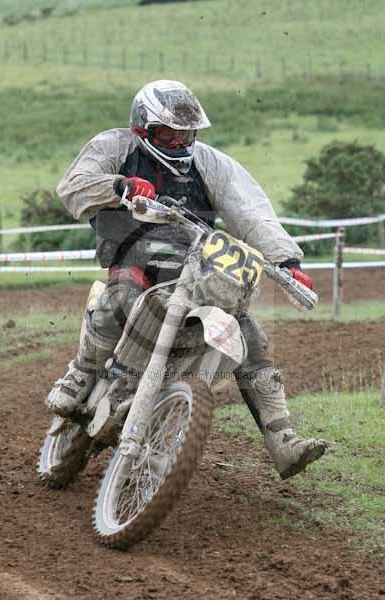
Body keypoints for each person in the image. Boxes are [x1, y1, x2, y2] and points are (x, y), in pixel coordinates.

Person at [47, 79, 327, 480]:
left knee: (248, 333)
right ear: (143, 128)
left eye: (187, 134)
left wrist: (287, 260)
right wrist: (118, 186)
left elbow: (251, 211)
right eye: (168, 134)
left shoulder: (210, 163)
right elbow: (73, 185)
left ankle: (283, 440)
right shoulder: (116, 146)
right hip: (132, 253)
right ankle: (81, 373)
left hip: (192, 266)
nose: (179, 143)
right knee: (121, 297)